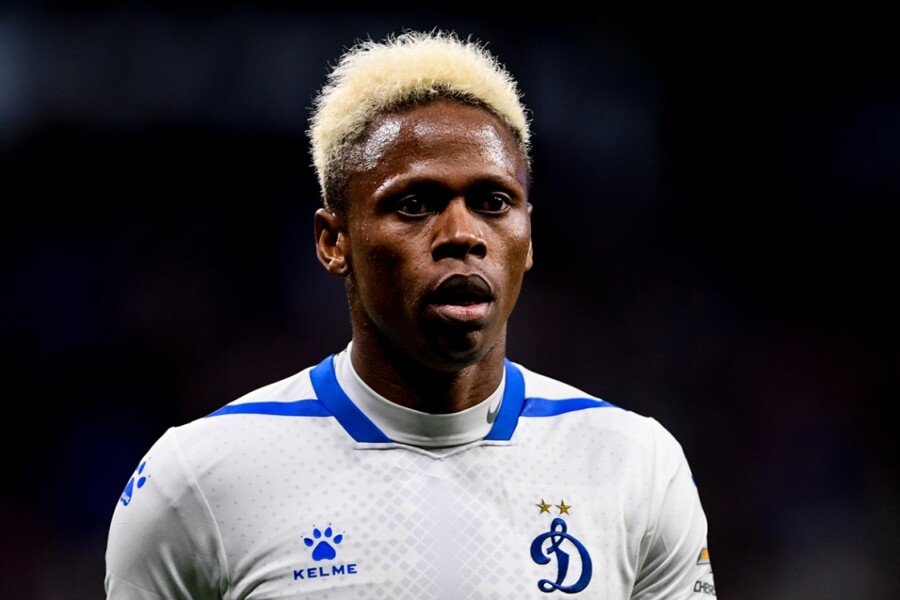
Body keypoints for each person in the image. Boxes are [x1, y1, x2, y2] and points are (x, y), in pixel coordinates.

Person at [104, 29, 717, 599]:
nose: (463, 235)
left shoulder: (636, 467)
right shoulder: (198, 482)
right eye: (416, 204)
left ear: (528, 238)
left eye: (493, 202)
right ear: (334, 242)